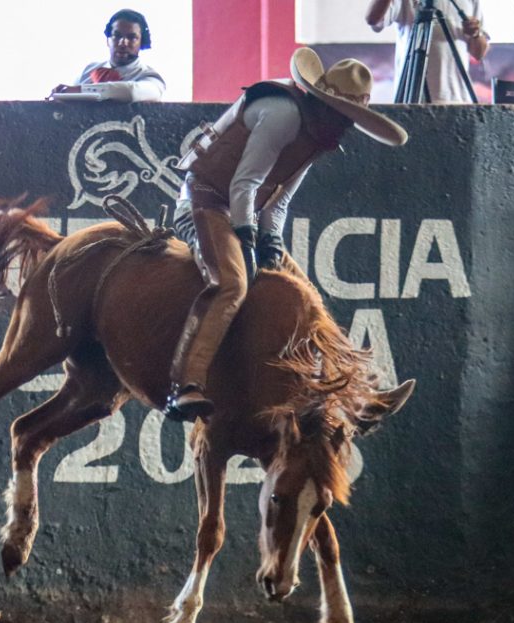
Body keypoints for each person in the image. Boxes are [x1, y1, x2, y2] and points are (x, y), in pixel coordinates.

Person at [163, 47, 408, 421]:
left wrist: (270, 241)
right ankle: (186, 386)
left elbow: (278, 201)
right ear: (324, 105)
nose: (346, 126)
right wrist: (246, 236)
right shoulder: (284, 114)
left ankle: (359, 394)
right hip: (205, 201)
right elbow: (245, 183)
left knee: (306, 292)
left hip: (237, 208)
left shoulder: (316, 135)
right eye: (344, 116)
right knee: (232, 283)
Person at [366, 0, 490, 104]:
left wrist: (475, 34)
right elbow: (373, 19)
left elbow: (479, 53)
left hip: (456, 99)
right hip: (412, 99)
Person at [49, 9, 165, 102]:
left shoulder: (151, 77)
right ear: (107, 40)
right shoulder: (88, 71)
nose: (122, 43)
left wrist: (82, 90)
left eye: (131, 37)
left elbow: (131, 92)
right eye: (117, 35)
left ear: (142, 42)